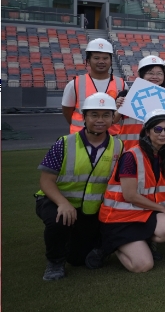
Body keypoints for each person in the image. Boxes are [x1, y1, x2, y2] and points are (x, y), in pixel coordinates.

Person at [35, 93, 123, 281]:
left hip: (89, 209)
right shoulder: (64, 143)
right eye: (94, 115)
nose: (100, 120)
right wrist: (63, 203)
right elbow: (46, 180)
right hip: (56, 201)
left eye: (106, 115)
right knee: (58, 221)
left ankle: (74, 242)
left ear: (113, 118)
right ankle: (55, 262)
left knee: (78, 259)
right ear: (84, 117)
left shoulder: (118, 146)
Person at [93, 109, 165, 273]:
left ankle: (140, 241)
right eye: (158, 129)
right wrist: (163, 209)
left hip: (145, 213)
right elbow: (130, 195)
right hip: (119, 218)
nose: (163, 134)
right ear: (147, 132)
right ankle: (111, 244)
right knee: (143, 266)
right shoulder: (131, 156)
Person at [61, 38, 125, 135]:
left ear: (111, 61)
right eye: (96, 58)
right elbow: (67, 111)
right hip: (81, 138)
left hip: (112, 138)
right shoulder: (75, 84)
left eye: (105, 58)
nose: (101, 61)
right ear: (88, 61)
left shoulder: (121, 84)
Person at [115, 55, 165, 149]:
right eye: (150, 73)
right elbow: (113, 121)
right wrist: (119, 108)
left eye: (159, 74)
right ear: (142, 74)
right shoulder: (126, 95)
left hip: (158, 150)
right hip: (128, 148)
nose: (155, 77)